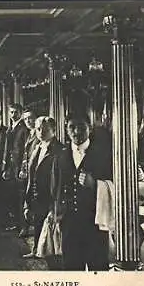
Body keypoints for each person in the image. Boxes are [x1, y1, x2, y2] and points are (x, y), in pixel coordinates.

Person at [57, 114, 113, 271]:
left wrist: (95, 184)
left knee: (98, 267)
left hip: (94, 223)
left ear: (90, 128)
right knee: (72, 268)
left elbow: (116, 187)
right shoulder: (61, 155)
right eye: (71, 127)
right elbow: (57, 187)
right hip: (69, 224)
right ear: (66, 130)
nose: (76, 132)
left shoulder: (103, 154)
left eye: (81, 127)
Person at [22, 116, 64, 259]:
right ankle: (36, 250)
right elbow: (31, 174)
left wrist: (55, 205)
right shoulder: (37, 147)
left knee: (52, 228)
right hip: (36, 193)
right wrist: (27, 201)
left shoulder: (59, 150)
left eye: (45, 129)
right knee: (38, 222)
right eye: (38, 129)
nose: (41, 132)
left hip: (50, 194)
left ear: (53, 130)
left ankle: (51, 256)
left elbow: (60, 180)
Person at [2, 103, 28, 231]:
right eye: (11, 112)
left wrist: (23, 169)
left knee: (21, 196)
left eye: (15, 112)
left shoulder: (24, 128)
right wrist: (5, 167)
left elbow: (26, 150)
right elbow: (7, 149)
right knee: (12, 195)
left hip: (19, 166)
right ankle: (16, 224)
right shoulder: (10, 127)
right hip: (11, 166)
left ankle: (24, 226)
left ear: (21, 113)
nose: (13, 115)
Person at [17, 109, 40, 237]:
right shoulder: (26, 133)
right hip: (26, 171)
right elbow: (23, 153)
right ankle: (24, 227)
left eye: (30, 118)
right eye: (25, 119)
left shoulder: (40, 133)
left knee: (34, 201)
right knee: (24, 199)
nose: (28, 121)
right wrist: (22, 169)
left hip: (36, 172)